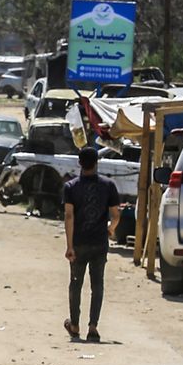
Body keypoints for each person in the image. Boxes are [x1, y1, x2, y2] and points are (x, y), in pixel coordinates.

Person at [61, 146, 123, 343]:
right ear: (97, 162)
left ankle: (75, 324)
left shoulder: (70, 187)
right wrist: (110, 229)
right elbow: (116, 215)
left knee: (76, 284)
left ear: (79, 163)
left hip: (79, 243)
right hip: (99, 243)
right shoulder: (108, 185)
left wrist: (69, 245)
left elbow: (69, 216)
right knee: (97, 285)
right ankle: (93, 326)